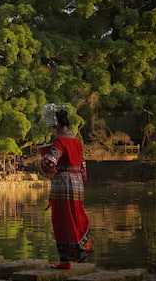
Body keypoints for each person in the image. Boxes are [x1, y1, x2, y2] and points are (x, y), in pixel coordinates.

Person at [39, 104, 94, 269]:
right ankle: (79, 249)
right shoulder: (76, 141)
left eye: (52, 128)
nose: (52, 132)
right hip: (77, 184)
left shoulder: (60, 141)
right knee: (75, 217)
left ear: (57, 126)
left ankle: (65, 261)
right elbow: (83, 165)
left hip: (63, 184)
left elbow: (50, 162)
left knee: (62, 221)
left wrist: (43, 160)